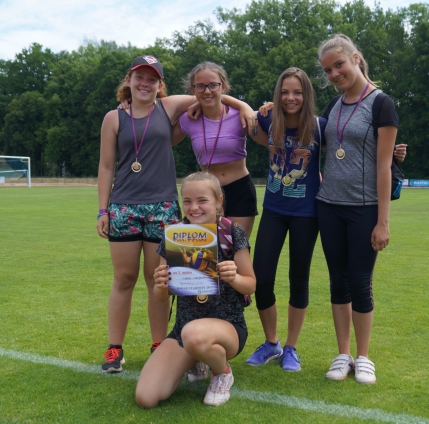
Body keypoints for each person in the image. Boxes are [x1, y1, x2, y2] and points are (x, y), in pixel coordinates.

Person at [97, 55, 254, 373]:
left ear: (160, 84)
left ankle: (160, 344)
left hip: (163, 206)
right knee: (123, 279)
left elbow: (211, 94)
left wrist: (245, 107)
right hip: (124, 206)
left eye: (152, 79)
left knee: (159, 279)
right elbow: (106, 165)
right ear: (129, 80)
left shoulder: (168, 107)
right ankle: (115, 348)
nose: (145, 83)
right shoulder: (113, 117)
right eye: (139, 77)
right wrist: (103, 209)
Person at [317, 34, 399, 384]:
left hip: (364, 208)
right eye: (328, 70)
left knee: (360, 282)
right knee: (338, 281)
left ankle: (364, 357)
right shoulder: (333, 106)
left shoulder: (382, 104)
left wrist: (383, 222)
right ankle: (343, 354)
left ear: (355, 58)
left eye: (339, 65)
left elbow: (384, 165)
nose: (334, 74)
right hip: (328, 206)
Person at [135, 172, 256, 408]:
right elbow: (161, 296)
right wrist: (160, 283)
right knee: (146, 397)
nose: (194, 207)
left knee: (194, 334)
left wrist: (234, 277)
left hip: (228, 328)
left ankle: (222, 372)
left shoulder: (232, 232)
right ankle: (197, 359)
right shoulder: (175, 235)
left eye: (202, 200)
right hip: (184, 329)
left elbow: (251, 284)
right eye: (187, 201)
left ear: (219, 201)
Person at [245, 68, 326, 371]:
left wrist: (393, 155)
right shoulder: (268, 120)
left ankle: (291, 347)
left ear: (307, 95)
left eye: (297, 92)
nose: (291, 98)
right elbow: (239, 112)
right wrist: (256, 108)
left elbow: (354, 146)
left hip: (307, 213)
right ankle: (272, 343)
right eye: (284, 92)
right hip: (274, 210)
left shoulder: (320, 127)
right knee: (261, 278)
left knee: (298, 279)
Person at [176, 62, 258, 237]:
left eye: (213, 85)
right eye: (200, 86)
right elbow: (161, 137)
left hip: (240, 190)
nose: (207, 91)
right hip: (206, 193)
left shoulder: (240, 114)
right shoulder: (188, 118)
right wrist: (129, 102)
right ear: (193, 89)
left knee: (237, 246)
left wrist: (243, 105)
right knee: (204, 249)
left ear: (223, 86)